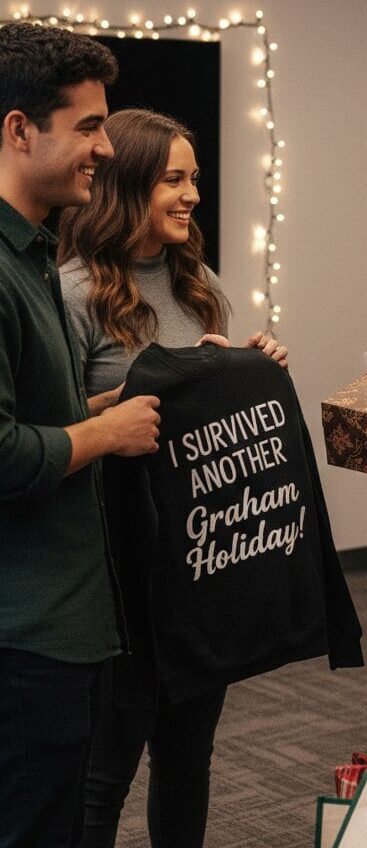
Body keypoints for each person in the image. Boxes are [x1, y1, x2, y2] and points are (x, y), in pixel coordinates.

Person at [58, 109, 286, 848]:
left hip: (197, 565)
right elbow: (55, 428)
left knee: (189, 755)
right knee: (105, 771)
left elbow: (211, 412)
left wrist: (249, 369)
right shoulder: (73, 294)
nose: (191, 195)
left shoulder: (199, 283)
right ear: (126, 186)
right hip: (117, 574)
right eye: (173, 180)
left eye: (195, 179)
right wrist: (133, 401)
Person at [0, 23, 164, 848]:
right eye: (89, 126)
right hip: (26, 639)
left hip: (71, 626)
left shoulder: (34, 255)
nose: (105, 145)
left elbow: (45, 417)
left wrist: (137, 400)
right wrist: (106, 437)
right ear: (19, 129)